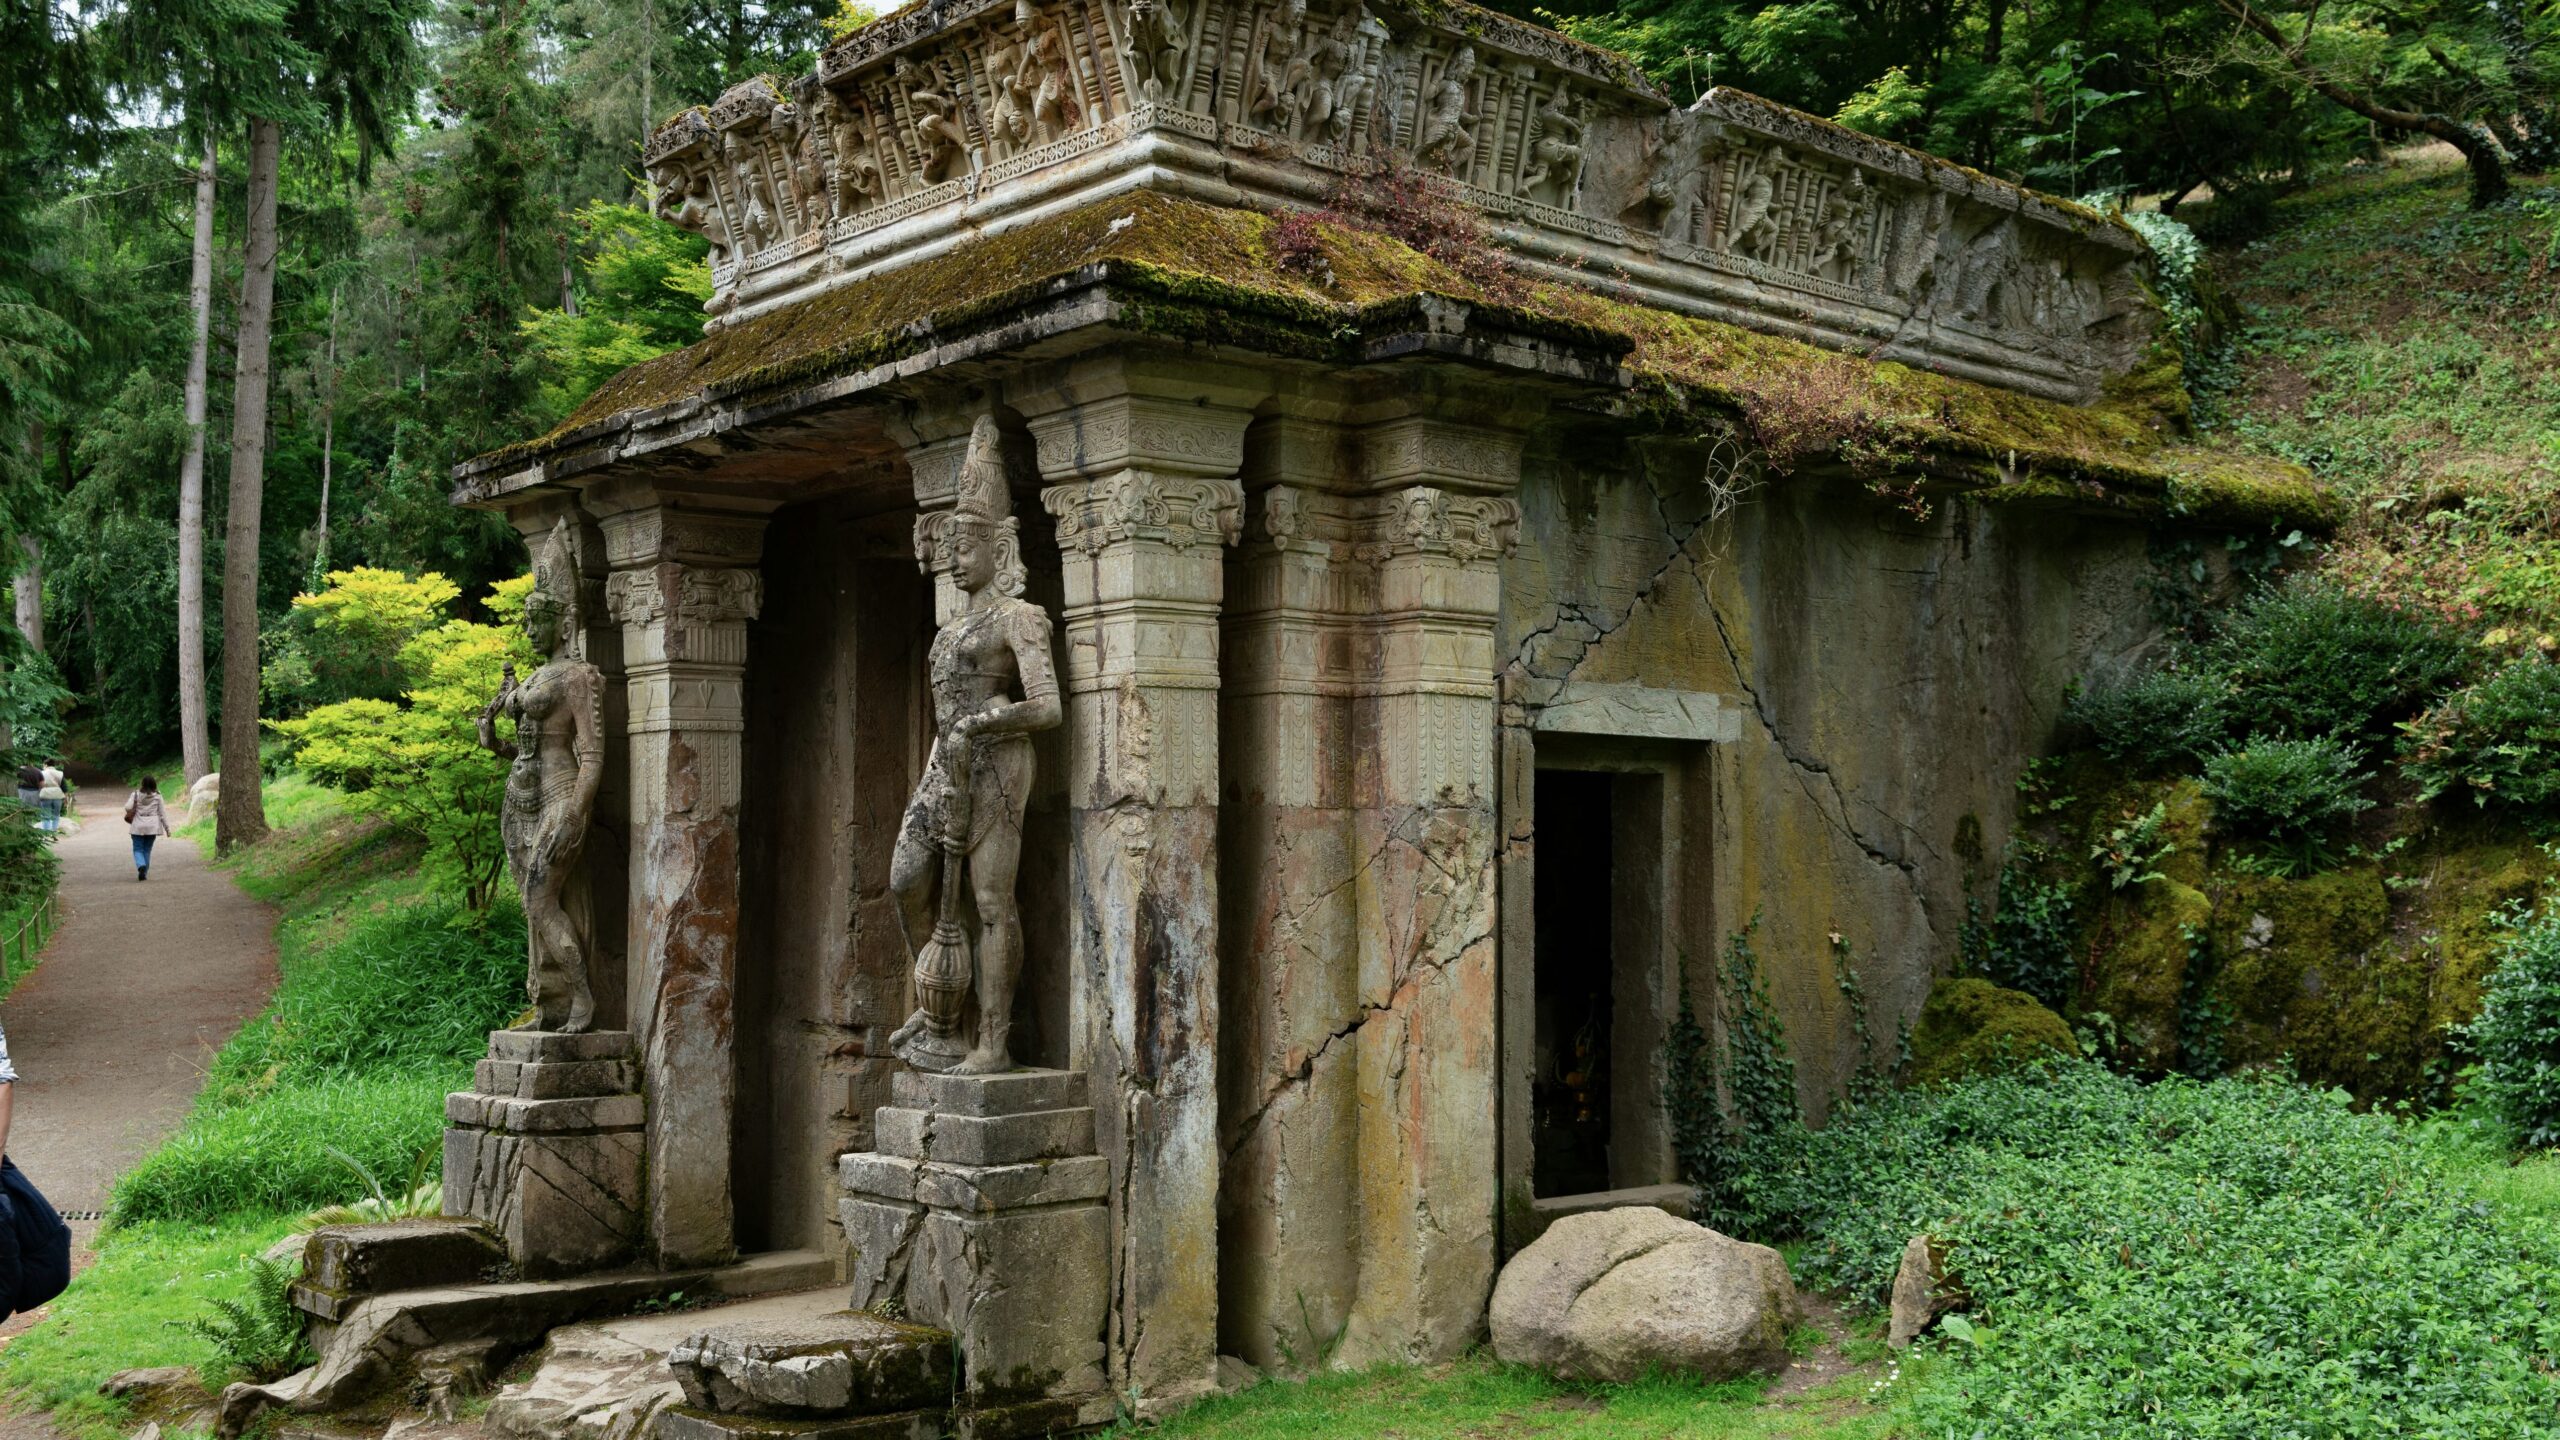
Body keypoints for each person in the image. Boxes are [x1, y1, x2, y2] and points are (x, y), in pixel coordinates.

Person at [124, 775, 172, 881]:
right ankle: (144, 872)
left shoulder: (135, 794)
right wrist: (167, 829)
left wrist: (133, 807)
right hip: (152, 827)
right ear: (154, 784)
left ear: (142, 784)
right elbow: (162, 813)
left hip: (138, 826)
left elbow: (127, 807)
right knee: (147, 850)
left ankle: (141, 865)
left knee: (137, 848)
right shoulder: (158, 796)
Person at [34, 761, 64, 833]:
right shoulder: (60, 773)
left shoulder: (41, 773)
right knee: (56, 815)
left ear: (46, 765)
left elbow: (38, 784)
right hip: (57, 795)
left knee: (45, 815)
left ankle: (47, 833)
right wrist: (65, 796)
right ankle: (54, 831)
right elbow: (64, 786)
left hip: (45, 795)